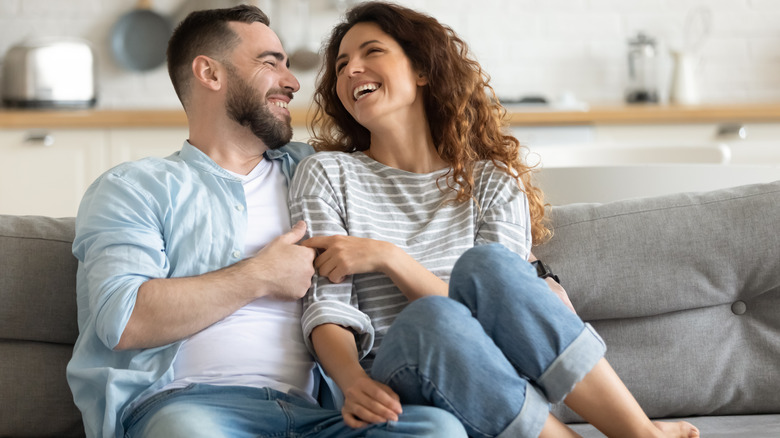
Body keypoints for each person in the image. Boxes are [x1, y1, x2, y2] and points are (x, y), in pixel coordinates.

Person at [288, 2, 700, 438]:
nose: (352, 70)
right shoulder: (327, 174)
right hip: (399, 373)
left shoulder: (492, 181)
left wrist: (391, 258)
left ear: (422, 70)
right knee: (433, 319)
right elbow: (327, 306)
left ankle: (640, 434)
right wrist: (352, 383)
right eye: (341, 65)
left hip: (497, 375)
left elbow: (500, 310)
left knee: (489, 267)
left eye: (372, 52)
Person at [66, 5, 465, 438]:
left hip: (320, 416)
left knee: (437, 429)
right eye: (271, 63)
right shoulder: (134, 188)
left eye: (289, 67)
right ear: (210, 73)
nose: (293, 82)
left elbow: (428, 220)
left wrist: (536, 278)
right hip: (190, 409)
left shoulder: (321, 174)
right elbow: (122, 320)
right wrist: (260, 275)